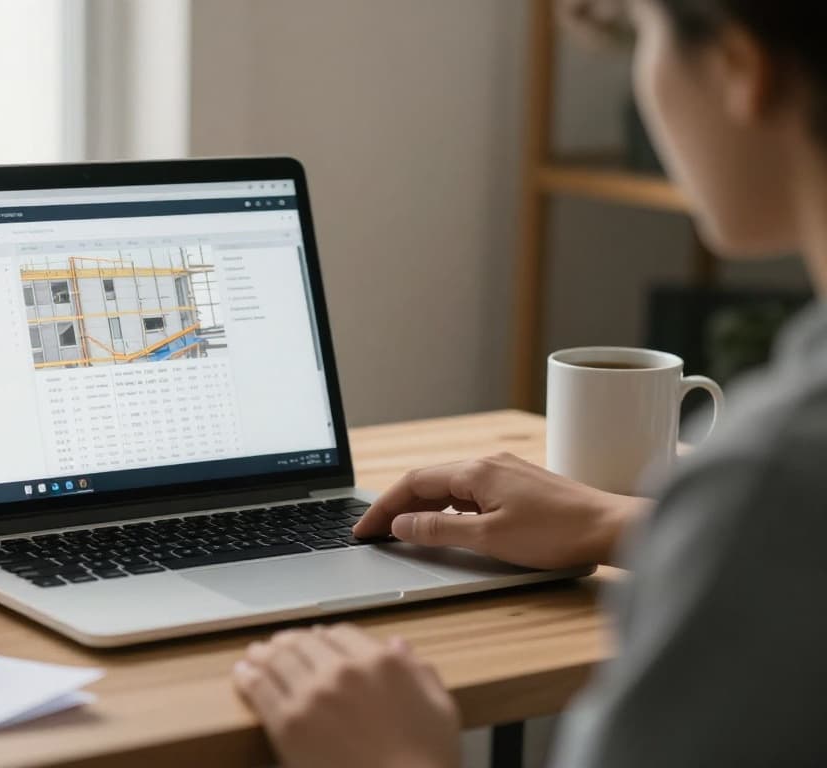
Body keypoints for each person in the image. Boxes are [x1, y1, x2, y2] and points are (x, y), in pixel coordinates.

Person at [231, 0, 827, 765]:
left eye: (641, 34)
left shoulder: (770, 479)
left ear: (743, 67)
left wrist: (397, 757)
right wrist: (616, 521)